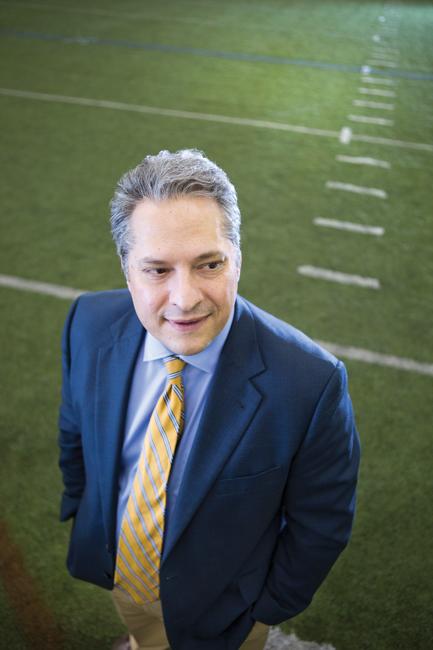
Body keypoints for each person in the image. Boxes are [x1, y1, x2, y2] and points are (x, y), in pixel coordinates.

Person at [58, 149, 360, 650]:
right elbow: (75, 432)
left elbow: (322, 522)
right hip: (123, 575)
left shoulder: (310, 382)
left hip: (228, 612)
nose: (185, 298)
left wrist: (268, 608)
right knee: (148, 640)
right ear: (126, 268)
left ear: (238, 257)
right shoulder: (87, 324)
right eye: (157, 270)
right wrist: (82, 509)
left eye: (209, 264)